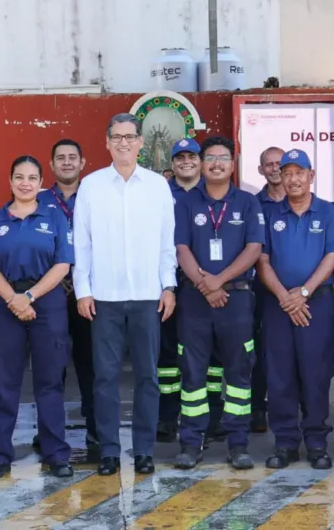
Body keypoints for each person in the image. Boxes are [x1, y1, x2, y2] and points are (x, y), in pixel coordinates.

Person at [74, 114, 179, 476]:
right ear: (107, 142)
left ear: (140, 144)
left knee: (148, 376)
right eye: (116, 137)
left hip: (148, 296)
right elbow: (82, 244)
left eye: (129, 137)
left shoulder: (156, 186)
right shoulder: (91, 186)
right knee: (104, 377)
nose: (123, 143)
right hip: (103, 297)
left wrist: (168, 285)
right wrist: (83, 290)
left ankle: (144, 450)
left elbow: (167, 243)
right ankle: (108, 451)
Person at [169, 137, 265, 470]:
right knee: (192, 373)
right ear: (201, 163)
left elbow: (254, 249)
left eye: (223, 158)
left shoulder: (249, 202)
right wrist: (204, 284)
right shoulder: (186, 202)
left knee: (238, 370)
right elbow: (180, 248)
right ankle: (191, 443)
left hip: (236, 297)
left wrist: (218, 281)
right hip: (195, 299)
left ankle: (238, 444)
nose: (216, 164)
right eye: (209, 158)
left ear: (233, 164)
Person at [0, 156, 77, 479]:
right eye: (19, 177)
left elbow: (63, 264)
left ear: (40, 183)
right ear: (10, 182)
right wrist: (13, 299)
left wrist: (30, 297)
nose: (25, 183)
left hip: (46, 303)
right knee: (6, 383)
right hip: (6, 304)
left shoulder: (54, 217)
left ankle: (56, 453)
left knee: (49, 383)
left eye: (32, 177)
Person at [258, 149, 334, 470]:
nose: (292, 178)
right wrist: (285, 297)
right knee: (280, 376)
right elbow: (262, 260)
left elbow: (332, 256)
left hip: (316, 304)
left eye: (299, 172)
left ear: (311, 175)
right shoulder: (271, 214)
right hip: (278, 305)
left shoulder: (327, 211)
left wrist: (303, 293)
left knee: (316, 373)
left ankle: (317, 443)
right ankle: (286, 444)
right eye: (287, 172)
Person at [39, 138, 97, 455]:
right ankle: (50, 431)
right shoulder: (38, 199)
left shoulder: (95, 196)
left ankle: (95, 432)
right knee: (51, 368)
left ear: (82, 163)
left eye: (72, 157)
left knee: (91, 366)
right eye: (60, 157)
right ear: (51, 165)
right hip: (52, 293)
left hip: (87, 293)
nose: (66, 162)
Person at [152, 136, 206, 443]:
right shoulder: (160, 193)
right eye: (180, 157)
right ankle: (167, 416)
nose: (186, 161)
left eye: (192, 156)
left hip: (203, 283)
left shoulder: (210, 191)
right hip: (168, 284)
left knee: (205, 356)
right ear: (172, 164)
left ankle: (206, 417)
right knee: (167, 354)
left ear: (200, 161)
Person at [250, 145, 286, 435]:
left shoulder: (305, 201)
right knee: (260, 350)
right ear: (261, 170)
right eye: (269, 164)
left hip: (299, 291)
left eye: (279, 163)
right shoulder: (252, 205)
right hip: (261, 290)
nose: (275, 168)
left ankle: (292, 406)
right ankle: (258, 408)